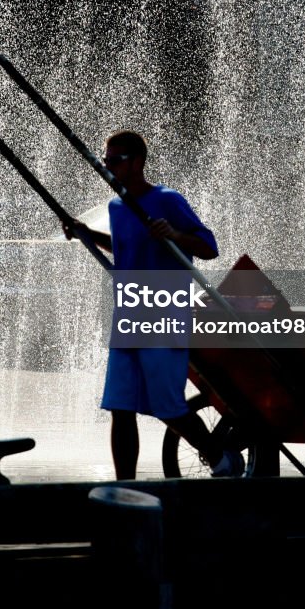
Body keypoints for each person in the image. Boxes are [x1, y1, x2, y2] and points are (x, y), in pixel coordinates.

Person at [64, 129, 244, 480]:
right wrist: (87, 233)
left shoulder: (166, 199)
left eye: (116, 160)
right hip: (129, 316)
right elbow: (126, 248)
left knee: (167, 407)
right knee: (120, 406)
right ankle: (124, 487)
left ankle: (218, 457)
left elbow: (209, 246)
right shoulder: (116, 206)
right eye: (106, 160)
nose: (108, 167)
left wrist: (175, 235)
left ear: (138, 162)